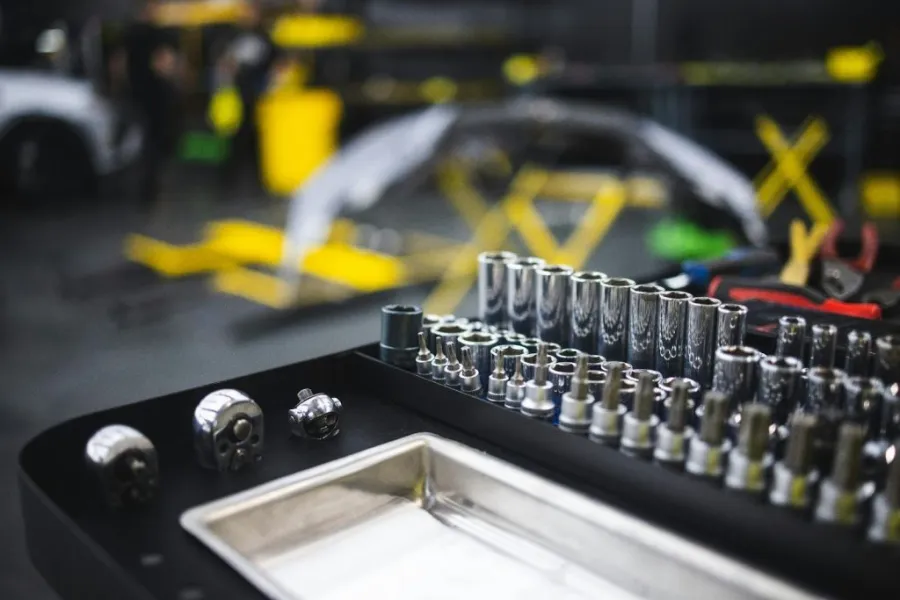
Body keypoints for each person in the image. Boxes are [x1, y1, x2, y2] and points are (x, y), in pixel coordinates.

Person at [124, 0, 182, 205]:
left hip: (136, 94)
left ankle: (144, 188)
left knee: (141, 141)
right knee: (154, 144)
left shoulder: (129, 33)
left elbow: (119, 66)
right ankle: (149, 190)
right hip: (155, 95)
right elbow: (163, 63)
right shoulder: (155, 34)